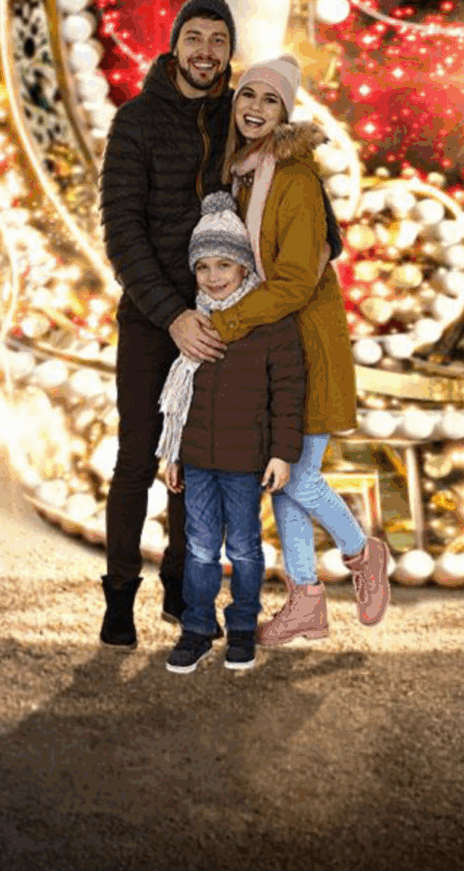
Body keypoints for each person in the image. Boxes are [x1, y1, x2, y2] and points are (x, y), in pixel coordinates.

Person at [172, 54, 393, 642]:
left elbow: (295, 280)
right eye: (249, 97)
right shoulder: (244, 174)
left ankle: (361, 553)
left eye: (271, 102)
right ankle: (308, 600)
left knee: (296, 478)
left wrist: (230, 321)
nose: (255, 110)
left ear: (286, 113)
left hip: (304, 343)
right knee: (284, 481)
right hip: (270, 342)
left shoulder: (291, 179)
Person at [93, 0, 234, 647]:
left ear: (230, 52)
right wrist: (171, 313)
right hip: (153, 320)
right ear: (175, 43)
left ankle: (182, 589)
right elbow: (122, 233)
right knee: (136, 461)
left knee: (197, 464)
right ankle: (119, 595)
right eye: (196, 38)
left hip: (218, 323)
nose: (206, 52)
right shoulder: (138, 122)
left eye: (219, 41)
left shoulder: (243, 121)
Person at [156, 192, 303, 675]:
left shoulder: (268, 324)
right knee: (199, 548)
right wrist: (172, 454)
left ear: (244, 268)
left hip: (245, 460)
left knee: (243, 547)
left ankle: (242, 627)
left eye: (225, 264)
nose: (214, 276)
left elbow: (287, 390)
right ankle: (197, 629)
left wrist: (282, 453)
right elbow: (177, 399)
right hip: (197, 458)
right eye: (203, 267)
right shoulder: (192, 324)